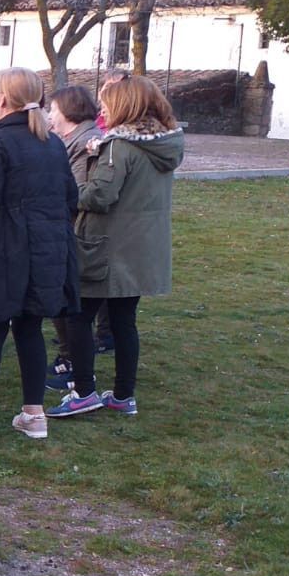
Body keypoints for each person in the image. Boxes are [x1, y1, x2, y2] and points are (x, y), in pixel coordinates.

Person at [0, 67, 80, 444]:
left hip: (5, 250)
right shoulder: (53, 142)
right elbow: (70, 197)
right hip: (48, 249)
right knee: (30, 329)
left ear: (3, 98)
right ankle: (34, 414)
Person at [48, 75, 183, 419]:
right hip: (142, 248)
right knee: (124, 321)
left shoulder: (119, 147)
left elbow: (100, 196)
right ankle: (123, 394)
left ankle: (84, 391)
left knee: (78, 316)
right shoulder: (162, 147)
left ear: (125, 104)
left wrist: (64, 189)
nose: (102, 108)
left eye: (107, 101)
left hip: (107, 248)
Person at [43, 84, 106, 384]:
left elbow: (78, 192)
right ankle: (69, 356)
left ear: (68, 111)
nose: (49, 115)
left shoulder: (87, 142)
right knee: (61, 299)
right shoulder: (72, 140)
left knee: (68, 301)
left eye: (53, 110)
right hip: (66, 230)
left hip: (76, 233)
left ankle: (71, 362)